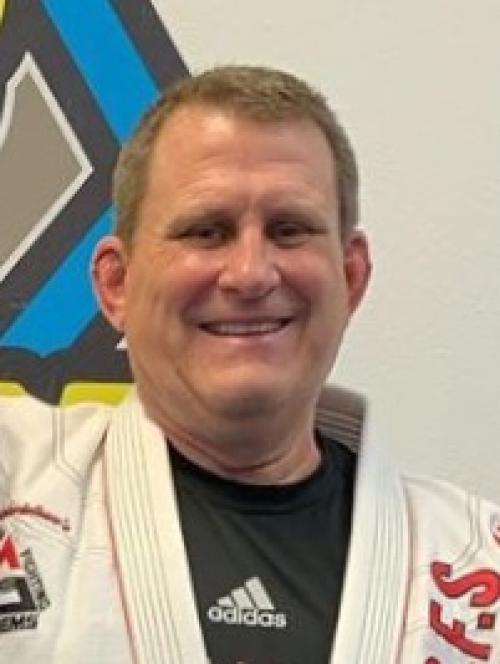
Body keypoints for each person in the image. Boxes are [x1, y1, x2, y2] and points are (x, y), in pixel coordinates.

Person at [1, 65, 499, 664]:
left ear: (350, 277)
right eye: (206, 232)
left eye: (290, 230)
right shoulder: (17, 483)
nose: (251, 274)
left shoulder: (475, 561)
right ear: (117, 284)